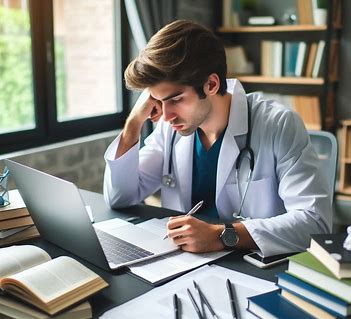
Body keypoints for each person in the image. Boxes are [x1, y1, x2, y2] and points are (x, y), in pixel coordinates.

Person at [103, 19, 332, 257]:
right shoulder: (170, 129)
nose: (166, 115)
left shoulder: (278, 124)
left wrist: (222, 235)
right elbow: (119, 198)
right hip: (184, 264)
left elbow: (315, 224)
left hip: (254, 267)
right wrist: (133, 124)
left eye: (176, 99)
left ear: (211, 84)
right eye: (157, 101)